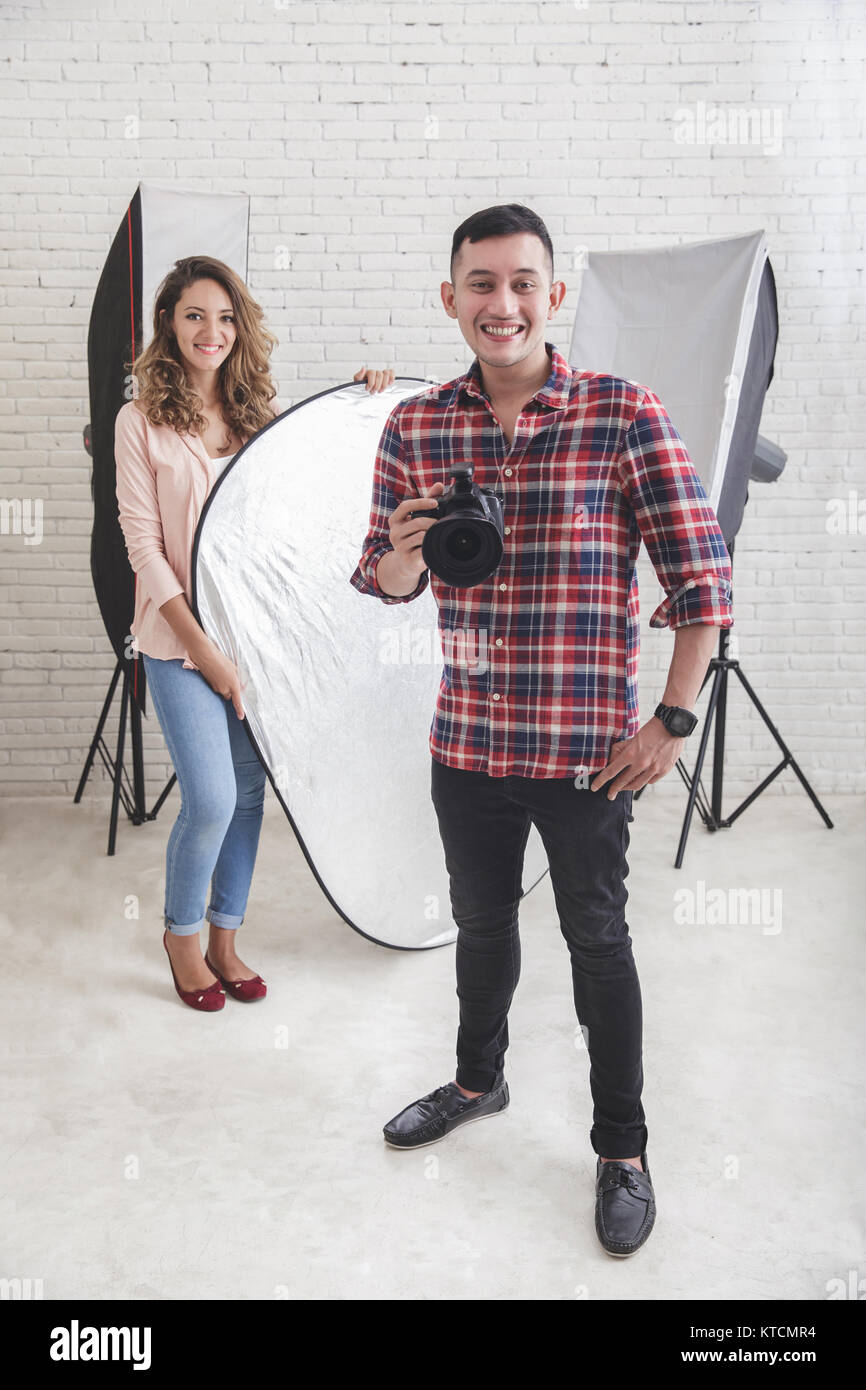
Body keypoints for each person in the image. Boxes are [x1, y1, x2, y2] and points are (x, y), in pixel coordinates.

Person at [349, 204, 733, 1256]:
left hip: (584, 757)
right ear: (451, 298)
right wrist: (401, 547)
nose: (501, 302)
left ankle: (622, 1146)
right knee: (479, 930)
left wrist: (669, 719)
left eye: (521, 282)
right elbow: (381, 585)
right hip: (465, 748)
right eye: (480, 283)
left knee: (596, 942)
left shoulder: (622, 413)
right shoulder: (416, 426)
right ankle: (478, 1079)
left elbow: (700, 581)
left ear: (551, 296)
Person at [116, 254, 394, 1012]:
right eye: (195, 315)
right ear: (168, 325)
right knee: (209, 798)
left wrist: (365, 403)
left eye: (226, 317)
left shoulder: (258, 418)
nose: (212, 331)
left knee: (247, 797)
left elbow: (305, 508)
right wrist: (206, 653)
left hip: (257, 642)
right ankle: (180, 937)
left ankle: (225, 938)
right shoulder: (139, 420)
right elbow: (143, 547)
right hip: (179, 643)